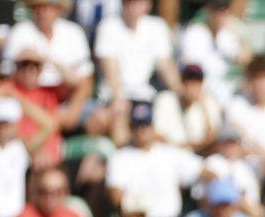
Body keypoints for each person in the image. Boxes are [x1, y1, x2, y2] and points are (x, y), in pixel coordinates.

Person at [106, 100, 204, 217]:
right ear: (130, 128)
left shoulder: (169, 152)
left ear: (153, 127)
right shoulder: (120, 157)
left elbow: (202, 169)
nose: (141, 131)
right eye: (137, 126)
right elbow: (115, 196)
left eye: (145, 125)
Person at [93, 0, 181, 141]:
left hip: (146, 97)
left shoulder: (157, 27)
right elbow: (110, 69)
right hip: (114, 98)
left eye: (137, 2)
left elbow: (166, 67)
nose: (133, 6)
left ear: (148, 5)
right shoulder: (108, 26)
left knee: (169, 109)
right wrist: (118, 99)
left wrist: (181, 93)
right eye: (129, 2)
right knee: (119, 117)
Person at [178, 0, 251, 102]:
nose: (221, 13)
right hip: (201, 93)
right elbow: (190, 74)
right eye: (217, 9)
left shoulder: (228, 34)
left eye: (225, 9)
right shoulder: (194, 34)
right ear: (208, 9)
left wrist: (238, 32)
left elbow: (249, 63)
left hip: (227, 92)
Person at [0, 97, 38, 217]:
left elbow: (48, 125)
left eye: (7, 124)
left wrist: (18, 99)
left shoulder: (20, 148)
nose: (3, 129)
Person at [152, 64, 222, 152]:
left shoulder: (209, 102)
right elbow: (155, 133)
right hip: (167, 152)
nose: (191, 87)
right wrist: (179, 146)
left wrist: (203, 107)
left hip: (195, 155)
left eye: (196, 83)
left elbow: (212, 138)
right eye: (188, 82)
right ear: (181, 83)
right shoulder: (166, 99)